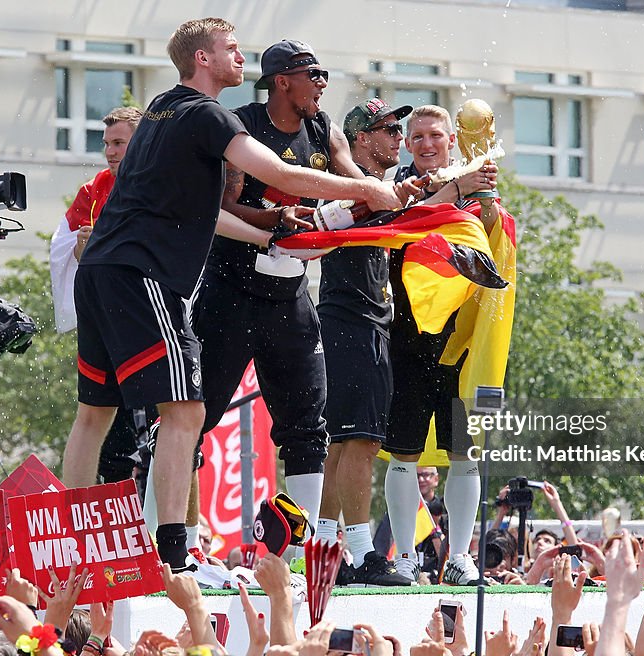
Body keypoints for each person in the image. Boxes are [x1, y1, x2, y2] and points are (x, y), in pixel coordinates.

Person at [60, 17, 404, 571]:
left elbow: (214, 216)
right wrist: (367, 187)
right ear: (202, 58)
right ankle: (173, 553)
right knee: (186, 412)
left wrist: (270, 230)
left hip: (101, 270)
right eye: (231, 48)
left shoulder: (159, 111)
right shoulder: (207, 114)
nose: (242, 56)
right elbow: (283, 174)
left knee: (94, 414)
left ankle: (66, 549)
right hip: (142, 275)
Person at [193, 39, 368, 545]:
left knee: (307, 425)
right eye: (315, 74)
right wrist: (276, 221)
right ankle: (176, 544)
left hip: (290, 295)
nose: (323, 85)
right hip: (230, 291)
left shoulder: (322, 127)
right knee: (194, 419)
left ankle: (298, 547)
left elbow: (356, 185)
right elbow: (223, 206)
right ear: (282, 81)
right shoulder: (243, 126)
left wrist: (389, 197)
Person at [381, 105, 497, 585]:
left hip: (462, 340)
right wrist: (462, 187)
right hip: (405, 337)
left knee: (464, 451)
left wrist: (486, 191)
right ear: (408, 145)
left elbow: (493, 232)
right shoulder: (396, 187)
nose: (427, 144)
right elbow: (405, 223)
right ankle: (405, 557)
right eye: (418, 137)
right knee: (403, 450)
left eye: (436, 135)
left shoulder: (474, 186)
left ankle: (460, 557)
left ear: (451, 140)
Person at [316, 98, 414, 586]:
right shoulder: (355, 195)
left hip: (362, 321)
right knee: (361, 439)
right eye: (388, 128)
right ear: (360, 140)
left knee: (345, 441)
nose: (399, 136)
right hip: (351, 321)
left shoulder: (375, 192)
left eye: (400, 128)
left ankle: (324, 547)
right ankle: (359, 555)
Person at [49, 106, 157, 486]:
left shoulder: (158, 182)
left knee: (170, 425)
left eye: (119, 143)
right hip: (104, 315)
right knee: (95, 418)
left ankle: (175, 538)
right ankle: (76, 519)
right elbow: (68, 253)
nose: (110, 152)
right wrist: (85, 250)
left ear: (141, 142)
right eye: (106, 143)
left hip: (148, 317)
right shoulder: (94, 189)